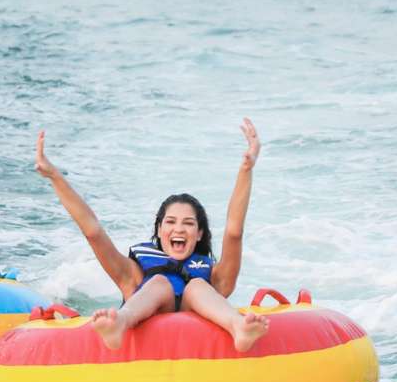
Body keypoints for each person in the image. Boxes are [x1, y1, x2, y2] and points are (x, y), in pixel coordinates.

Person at [34, 120, 269, 352]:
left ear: (199, 234)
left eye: (188, 223)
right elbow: (93, 231)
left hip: (198, 304)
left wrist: (246, 170)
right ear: (159, 230)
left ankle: (238, 326)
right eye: (170, 222)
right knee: (159, 282)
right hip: (144, 305)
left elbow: (234, 231)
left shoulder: (215, 278)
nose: (179, 229)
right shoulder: (133, 275)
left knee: (196, 284)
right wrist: (54, 176)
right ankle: (120, 323)